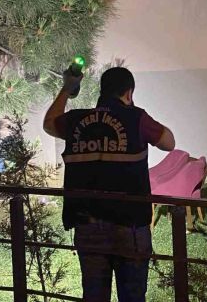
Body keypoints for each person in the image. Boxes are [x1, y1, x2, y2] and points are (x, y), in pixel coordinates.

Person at [43, 67, 175, 302]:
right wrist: (130, 112)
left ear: (102, 91)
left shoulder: (76, 120)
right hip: (130, 227)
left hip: (88, 226)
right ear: (129, 92)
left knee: (94, 296)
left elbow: (49, 124)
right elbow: (169, 143)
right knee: (133, 297)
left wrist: (67, 89)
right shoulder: (137, 119)